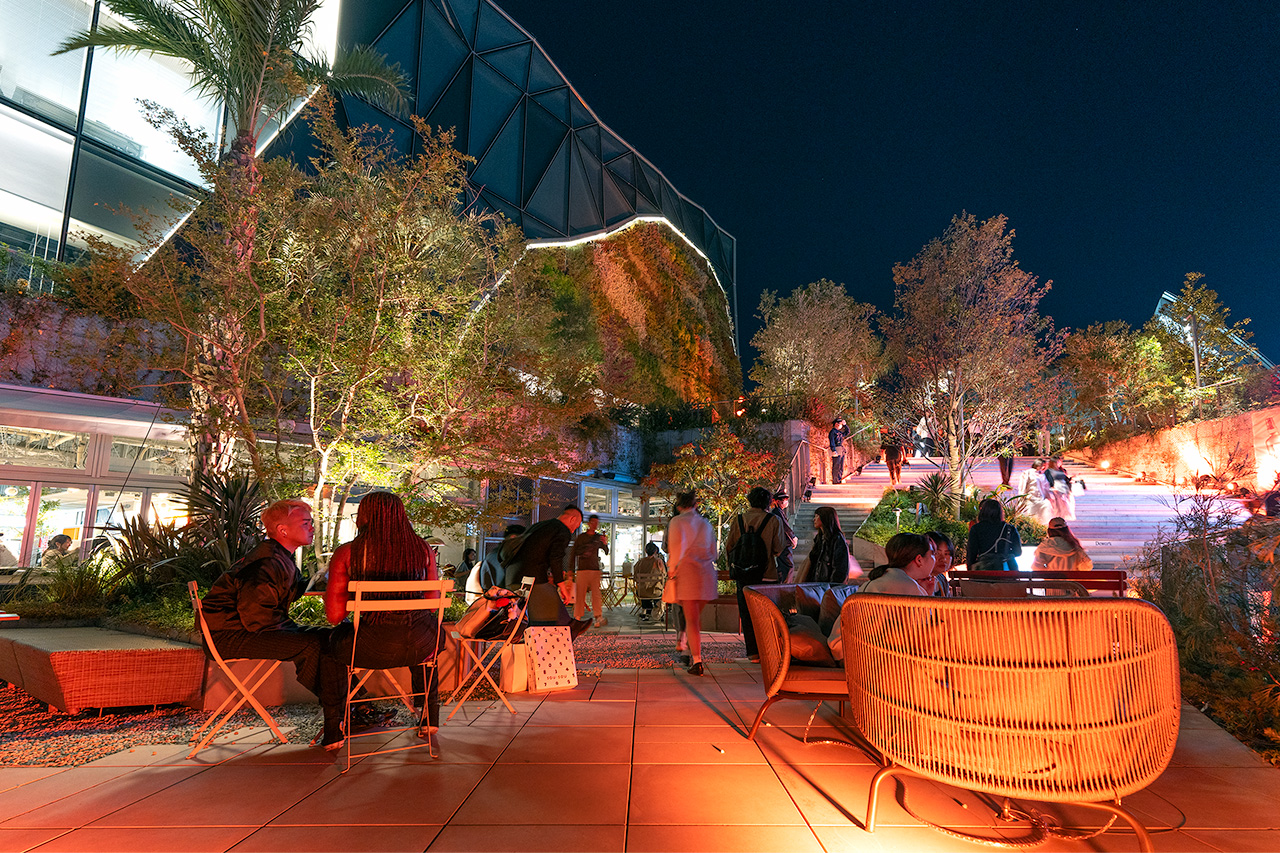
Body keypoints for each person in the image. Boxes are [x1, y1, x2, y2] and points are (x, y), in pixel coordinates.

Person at [201, 500, 346, 749]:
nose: (312, 528)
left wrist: (323, 581)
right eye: (306, 523)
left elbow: (291, 590)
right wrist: (296, 632)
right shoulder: (265, 563)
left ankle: (350, 709)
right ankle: (344, 714)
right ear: (283, 530)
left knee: (329, 637)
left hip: (244, 630)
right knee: (315, 643)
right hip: (230, 636)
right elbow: (257, 616)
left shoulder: (277, 557)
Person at [324, 492, 445, 753]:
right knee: (424, 635)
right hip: (421, 646)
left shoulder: (349, 553)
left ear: (365, 516)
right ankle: (430, 715)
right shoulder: (423, 550)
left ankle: (334, 727)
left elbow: (334, 617)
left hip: (371, 647)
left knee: (328, 646)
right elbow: (433, 604)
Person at [723, 486, 786, 662]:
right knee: (768, 615)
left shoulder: (739, 520)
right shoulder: (773, 520)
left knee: (747, 613)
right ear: (768, 502)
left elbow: (729, 547)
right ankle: (769, 651)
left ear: (750, 500)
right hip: (767, 575)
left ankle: (753, 653)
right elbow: (778, 549)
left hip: (744, 575)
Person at [512, 505, 590, 634]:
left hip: (514, 574)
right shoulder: (562, 530)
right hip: (532, 576)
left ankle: (566, 628)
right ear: (572, 519)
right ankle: (569, 629)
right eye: (576, 526)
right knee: (552, 601)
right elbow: (556, 557)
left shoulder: (541, 525)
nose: (574, 530)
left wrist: (551, 574)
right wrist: (562, 585)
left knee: (535, 612)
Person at [666, 491, 718, 675]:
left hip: (688, 573)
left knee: (692, 620)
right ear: (695, 505)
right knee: (695, 619)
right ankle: (689, 648)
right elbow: (714, 552)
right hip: (707, 574)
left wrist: (671, 570)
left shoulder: (677, 522)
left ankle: (696, 660)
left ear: (679, 506)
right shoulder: (706, 524)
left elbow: (676, 548)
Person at [860, 532, 935, 595]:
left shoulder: (870, 584)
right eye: (933, 554)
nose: (935, 559)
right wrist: (926, 596)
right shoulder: (911, 588)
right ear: (919, 560)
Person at [571, 514, 610, 627]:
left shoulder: (598, 537)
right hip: (582, 569)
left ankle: (598, 616)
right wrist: (570, 570)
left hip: (595, 569)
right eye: (593, 522)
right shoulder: (582, 537)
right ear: (588, 523)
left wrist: (605, 543)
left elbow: (606, 551)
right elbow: (573, 553)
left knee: (596, 594)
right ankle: (577, 617)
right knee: (580, 594)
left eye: (597, 523)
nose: (595, 525)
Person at [965, 498, 1022, 571]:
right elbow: (1018, 552)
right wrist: (1005, 553)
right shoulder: (1010, 529)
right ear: (1000, 513)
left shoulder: (976, 529)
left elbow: (971, 554)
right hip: (1006, 572)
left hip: (983, 572)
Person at [472, 524, 525, 603]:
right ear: (514, 537)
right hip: (508, 603)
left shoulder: (491, 555)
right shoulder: (514, 557)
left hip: (492, 601)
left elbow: (484, 582)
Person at [807, 506, 851, 584]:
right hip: (817, 585)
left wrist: (832, 587)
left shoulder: (837, 539)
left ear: (824, 518)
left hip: (828, 586)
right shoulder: (820, 538)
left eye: (817, 516)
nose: (814, 519)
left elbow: (840, 568)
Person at [632, 542, 667, 622]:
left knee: (644, 590)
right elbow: (664, 575)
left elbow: (635, 576)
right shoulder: (658, 562)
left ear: (645, 551)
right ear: (655, 551)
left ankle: (647, 611)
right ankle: (658, 611)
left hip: (642, 592)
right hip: (656, 592)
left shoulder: (640, 562)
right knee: (658, 591)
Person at [770, 489, 798, 583]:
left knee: (783, 567)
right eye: (783, 500)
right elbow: (785, 527)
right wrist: (793, 537)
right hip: (783, 543)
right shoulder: (777, 512)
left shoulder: (779, 512)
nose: (786, 502)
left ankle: (782, 584)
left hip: (782, 543)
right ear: (777, 501)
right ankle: (785, 585)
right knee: (788, 566)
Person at [1017, 459, 1055, 525]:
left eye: (1045, 466)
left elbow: (1046, 487)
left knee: (1046, 506)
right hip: (1031, 498)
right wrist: (1022, 496)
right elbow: (1022, 486)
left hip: (1041, 498)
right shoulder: (1028, 473)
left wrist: (1049, 496)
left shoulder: (1042, 475)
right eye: (1043, 465)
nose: (1044, 467)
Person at [922, 530, 955, 596]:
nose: (943, 559)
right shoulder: (918, 582)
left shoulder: (942, 579)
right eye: (937, 553)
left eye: (946, 554)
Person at [1045, 456, 1076, 521]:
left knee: (1065, 503)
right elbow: (1048, 481)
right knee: (1058, 504)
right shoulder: (1048, 471)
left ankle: (1062, 517)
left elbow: (1066, 479)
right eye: (1057, 462)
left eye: (1060, 462)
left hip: (1064, 488)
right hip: (1055, 489)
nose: (1059, 463)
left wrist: (1071, 479)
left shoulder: (1062, 470)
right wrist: (1052, 487)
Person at [829, 417, 850, 484]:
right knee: (836, 465)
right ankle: (835, 480)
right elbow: (832, 441)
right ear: (836, 424)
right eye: (840, 423)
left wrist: (845, 425)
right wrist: (833, 450)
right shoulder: (833, 432)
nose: (841, 425)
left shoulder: (839, 432)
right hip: (836, 449)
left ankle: (839, 479)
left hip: (841, 449)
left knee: (840, 465)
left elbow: (847, 432)